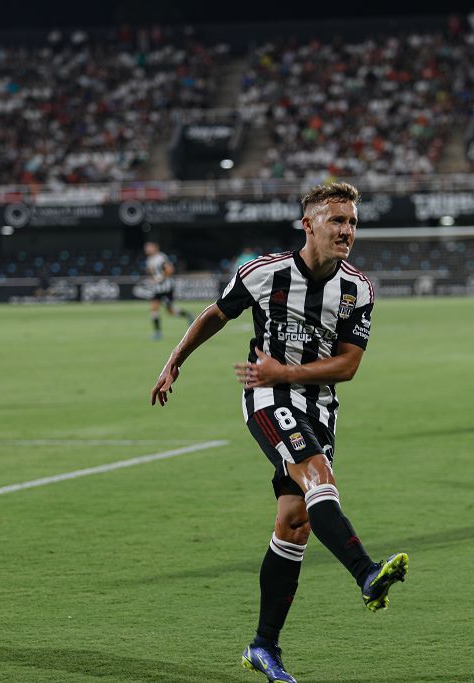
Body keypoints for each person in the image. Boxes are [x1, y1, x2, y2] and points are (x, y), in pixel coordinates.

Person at [151, 182, 408, 683]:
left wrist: (287, 373)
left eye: (353, 222)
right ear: (308, 223)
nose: (347, 231)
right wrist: (174, 362)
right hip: (266, 398)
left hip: (319, 405)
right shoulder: (264, 272)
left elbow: (349, 366)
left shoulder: (358, 289)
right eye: (337, 220)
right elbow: (215, 314)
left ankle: (262, 647)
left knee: (294, 523)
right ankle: (366, 573)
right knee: (318, 480)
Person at [144, 241, 192, 340]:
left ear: (155, 247)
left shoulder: (160, 257)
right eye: (146, 247)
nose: (147, 249)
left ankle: (187, 315)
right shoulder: (149, 259)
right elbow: (151, 271)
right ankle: (158, 332)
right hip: (158, 289)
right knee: (154, 309)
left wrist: (160, 278)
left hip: (166, 288)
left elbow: (170, 270)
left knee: (170, 311)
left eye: (149, 247)